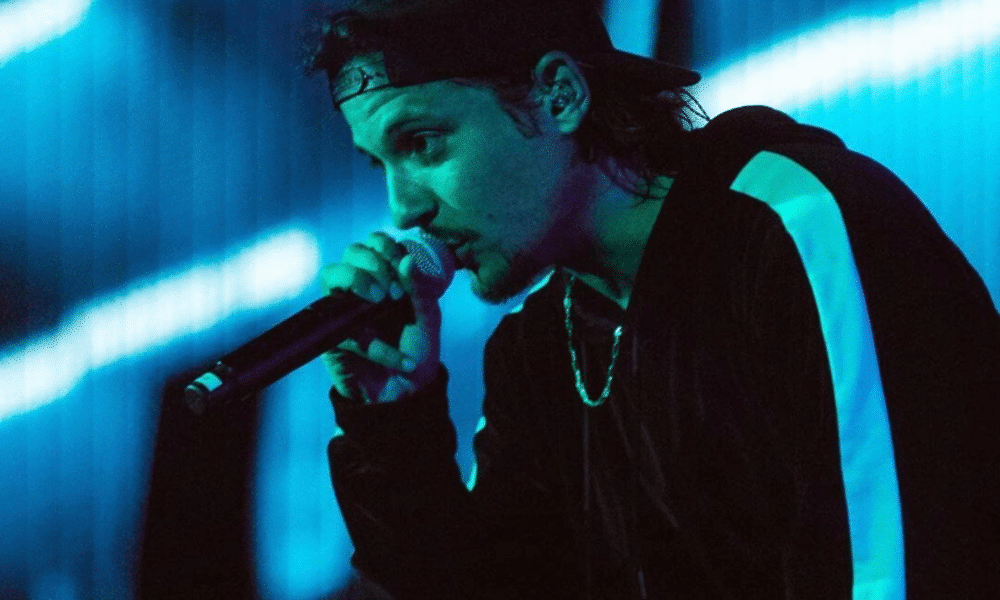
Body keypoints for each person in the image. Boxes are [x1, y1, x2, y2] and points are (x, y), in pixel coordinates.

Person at [306, 0, 1000, 598]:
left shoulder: (791, 228)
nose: (404, 209)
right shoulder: (538, 351)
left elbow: (905, 558)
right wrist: (392, 425)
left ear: (559, 95)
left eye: (423, 143)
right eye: (381, 163)